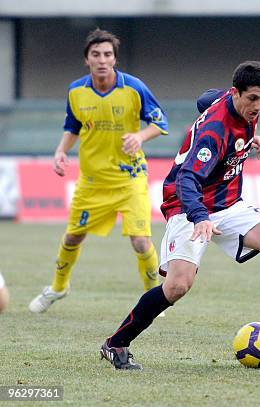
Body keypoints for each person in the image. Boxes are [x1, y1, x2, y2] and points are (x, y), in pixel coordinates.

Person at [100, 61, 260, 370]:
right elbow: (188, 178)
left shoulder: (230, 100)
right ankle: (115, 343)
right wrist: (200, 216)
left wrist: (251, 137)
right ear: (237, 93)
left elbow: (205, 98)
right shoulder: (215, 132)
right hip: (189, 205)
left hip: (227, 202)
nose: (259, 105)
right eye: (253, 98)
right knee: (177, 287)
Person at [29, 29, 168, 313]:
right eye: (96, 55)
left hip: (130, 179)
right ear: (87, 60)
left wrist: (140, 137)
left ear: (115, 59)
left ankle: (154, 297)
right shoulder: (76, 91)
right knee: (72, 237)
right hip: (92, 182)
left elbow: (160, 121)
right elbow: (73, 127)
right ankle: (58, 287)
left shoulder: (134, 88)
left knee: (141, 241)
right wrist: (60, 152)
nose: (102, 60)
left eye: (107, 54)